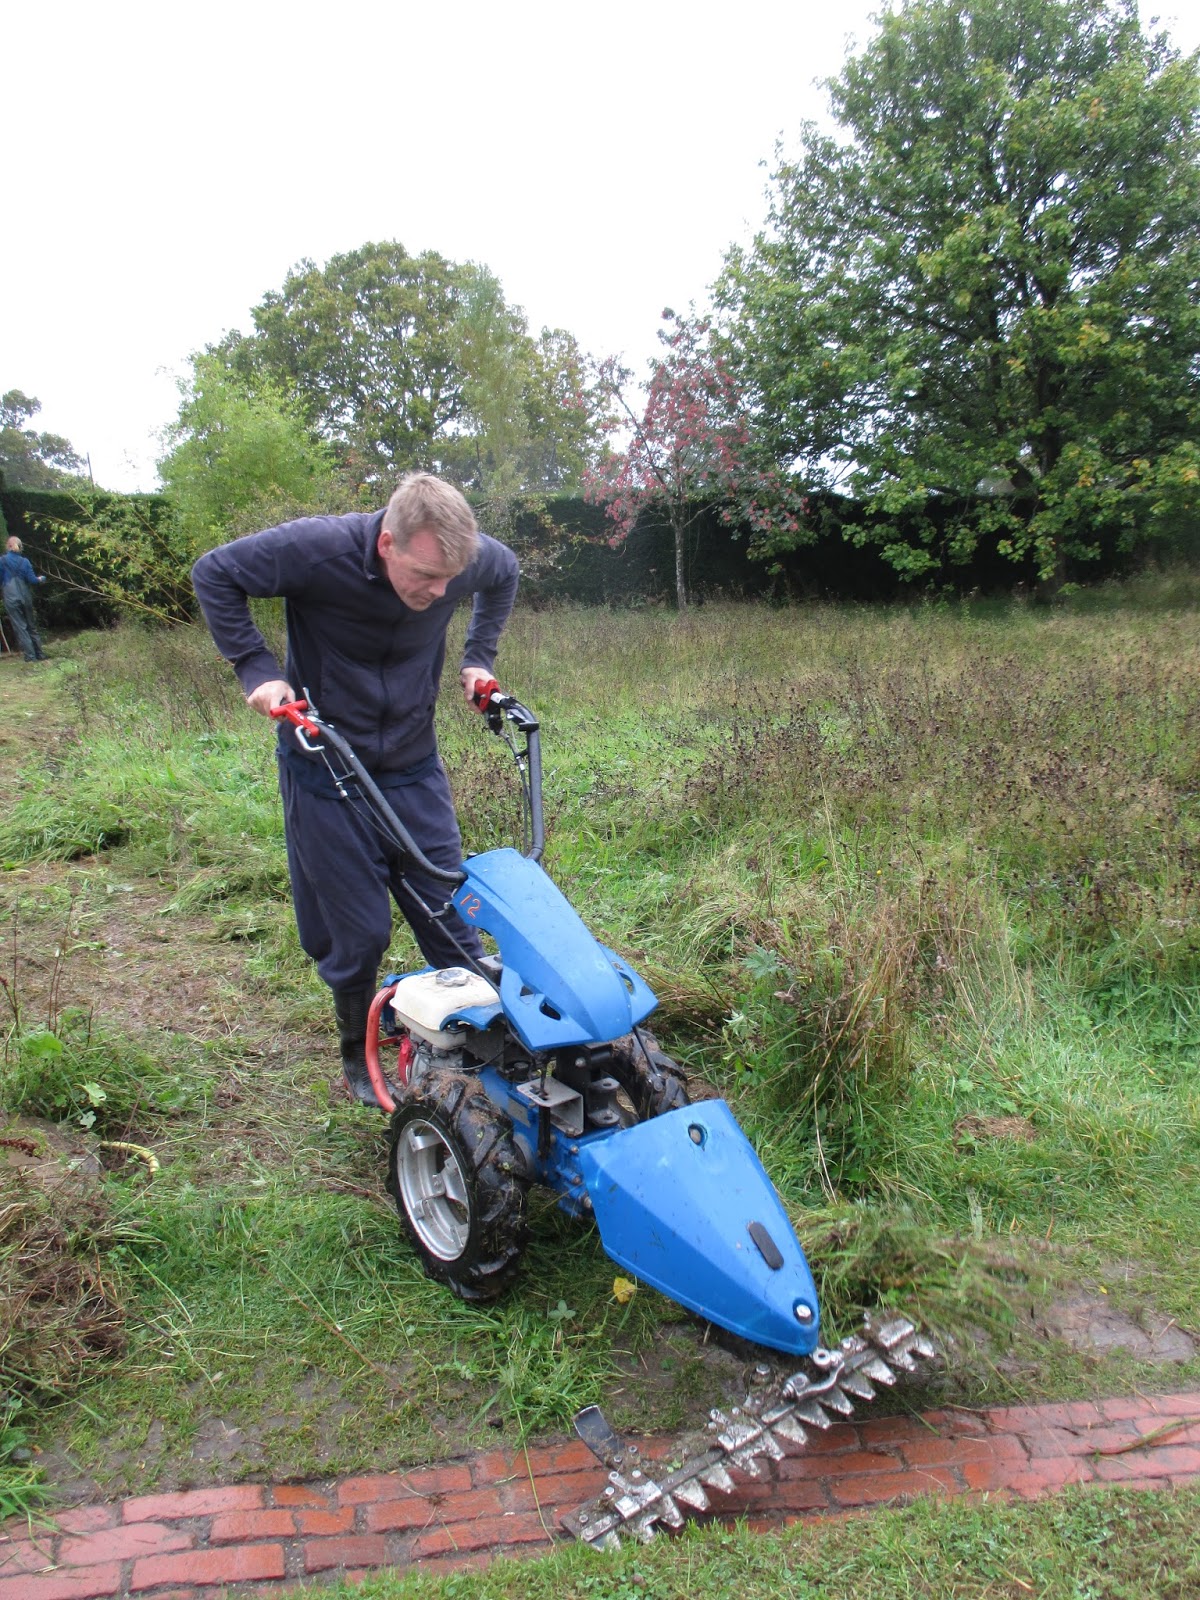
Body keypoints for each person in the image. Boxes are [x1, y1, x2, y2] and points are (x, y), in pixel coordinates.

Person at [191, 473, 520, 1106]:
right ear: (387, 543)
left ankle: (483, 1042)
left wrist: (478, 655)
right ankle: (356, 1055)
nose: (440, 592)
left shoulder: (460, 559)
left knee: (448, 911)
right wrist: (257, 668)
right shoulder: (318, 550)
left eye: (451, 579)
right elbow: (215, 573)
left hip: (412, 763)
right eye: (426, 576)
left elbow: (503, 574)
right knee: (359, 931)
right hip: (327, 767)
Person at [0, 536, 49, 662]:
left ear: (8, 546)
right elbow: (32, 580)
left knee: (20, 627)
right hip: (25, 597)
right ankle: (40, 654)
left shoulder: (2, 561)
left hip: (11, 598)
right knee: (31, 625)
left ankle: (30, 656)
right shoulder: (25, 561)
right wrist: (41, 578)